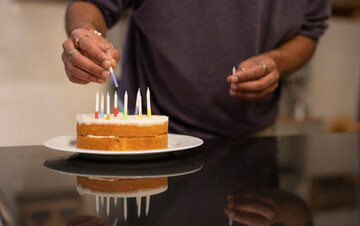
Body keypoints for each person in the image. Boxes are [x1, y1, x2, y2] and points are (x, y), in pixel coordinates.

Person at [62, 0, 331, 139]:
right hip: (155, 140)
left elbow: (310, 29)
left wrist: (279, 61)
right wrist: (87, 33)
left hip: (254, 141)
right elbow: (91, 3)